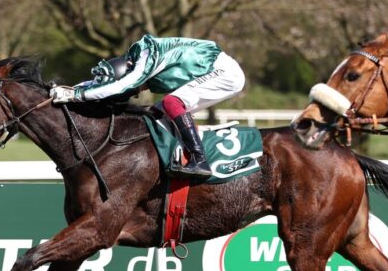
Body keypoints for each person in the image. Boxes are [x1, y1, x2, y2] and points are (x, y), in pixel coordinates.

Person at [50, 34, 246, 179]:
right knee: (157, 112)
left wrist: (76, 95)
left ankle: (200, 160)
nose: (137, 92)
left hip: (225, 73)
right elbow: (104, 83)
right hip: (215, 69)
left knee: (172, 102)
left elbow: (119, 86)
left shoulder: (145, 61)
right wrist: (70, 89)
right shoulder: (135, 60)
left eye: (135, 91)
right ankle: (180, 156)